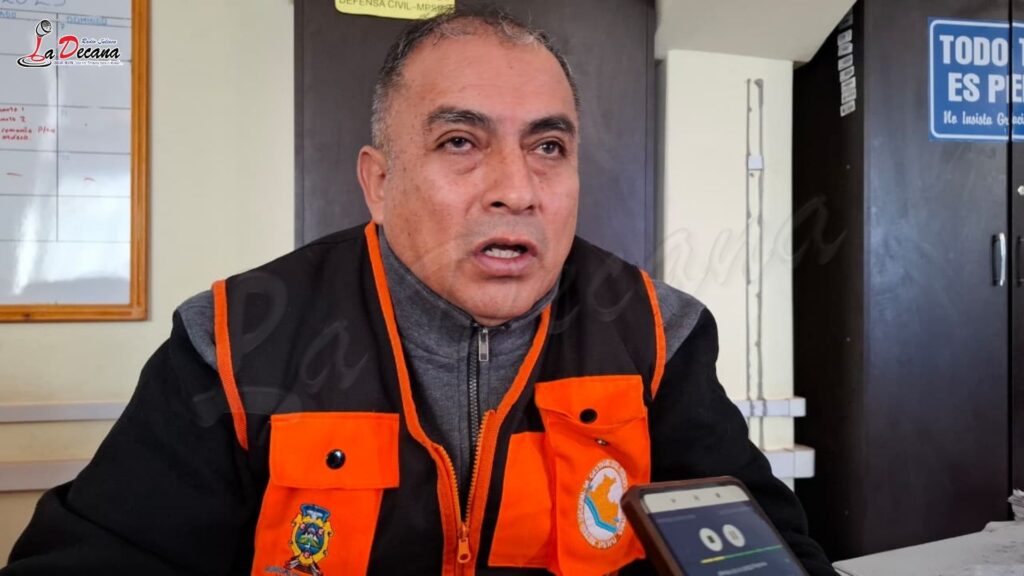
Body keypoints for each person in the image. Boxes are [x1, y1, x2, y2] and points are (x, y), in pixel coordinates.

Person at [3, 7, 834, 576]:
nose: (517, 189)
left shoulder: (659, 334)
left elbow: (765, 552)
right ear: (378, 181)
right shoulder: (231, 341)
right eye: (461, 142)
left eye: (548, 147)